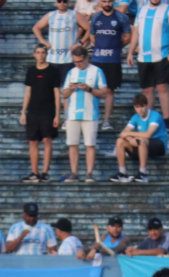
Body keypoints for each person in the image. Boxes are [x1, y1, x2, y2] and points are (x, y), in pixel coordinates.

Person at [127, 0, 169, 127]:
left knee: (162, 87)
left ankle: (166, 119)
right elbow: (135, 32)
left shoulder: (168, 9)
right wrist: (130, 52)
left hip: (162, 55)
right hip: (143, 57)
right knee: (147, 89)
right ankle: (148, 118)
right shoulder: (142, 10)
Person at [61, 44, 107, 182]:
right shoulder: (71, 72)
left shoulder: (97, 71)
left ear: (87, 58)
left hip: (90, 114)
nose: (78, 64)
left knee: (90, 145)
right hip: (72, 114)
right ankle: (74, 173)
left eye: (80, 61)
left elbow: (104, 93)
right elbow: (64, 94)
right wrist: (70, 89)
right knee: (72, 145)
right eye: (75, 62)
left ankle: (89, 173)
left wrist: (89, 89)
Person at [32, 0, 81, 120]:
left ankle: (66, 119)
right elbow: (36, 28)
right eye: (59, 1)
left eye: (65, 1)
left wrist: (80, 43)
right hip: (52, 59)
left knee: (67, 91)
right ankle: (51, 117)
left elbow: (90, 28)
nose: (62, 3)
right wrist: (43, 42)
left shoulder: (74, 14)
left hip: (68, 60)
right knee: (50, 90)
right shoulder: (51, 15)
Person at [20, 44, 60, 183]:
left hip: (48, 111)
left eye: (43, 52)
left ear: (46, 54)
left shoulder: (53, 71)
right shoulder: (31, 71)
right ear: (34, 55)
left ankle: (45, 173)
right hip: (33, 110)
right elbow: (28, 92)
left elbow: (57, 93)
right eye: (38, 52)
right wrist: (23, 112)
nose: (41, 55)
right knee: (32, 141)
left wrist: (57, 114)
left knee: (47, 140)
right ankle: (34, 173)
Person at [89, 0, 131, 130]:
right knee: (93, 90)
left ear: (113, 2)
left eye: (109, 1)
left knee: (110, 90)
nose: (107, 4)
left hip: (113, 60)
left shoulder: (121, 17)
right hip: (97, 59)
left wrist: (117, 47)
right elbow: (92, 36)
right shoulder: (96, 17)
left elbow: (128, 36)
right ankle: (92, 119)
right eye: (104, 1)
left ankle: (106, 121)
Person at [110, 92, 166, 183]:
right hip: (142, 145)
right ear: (134, 108)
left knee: (142, 140)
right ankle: (122, 173)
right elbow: (123, 133)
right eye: (137, 107)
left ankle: (143, 173)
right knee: (120, 141)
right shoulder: (135, 117)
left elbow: (148, 134)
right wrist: (130, 139)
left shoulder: (155, 116)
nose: (140, 109)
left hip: (159, 145)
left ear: (147, 105)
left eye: (142, 106)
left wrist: (130, 134)